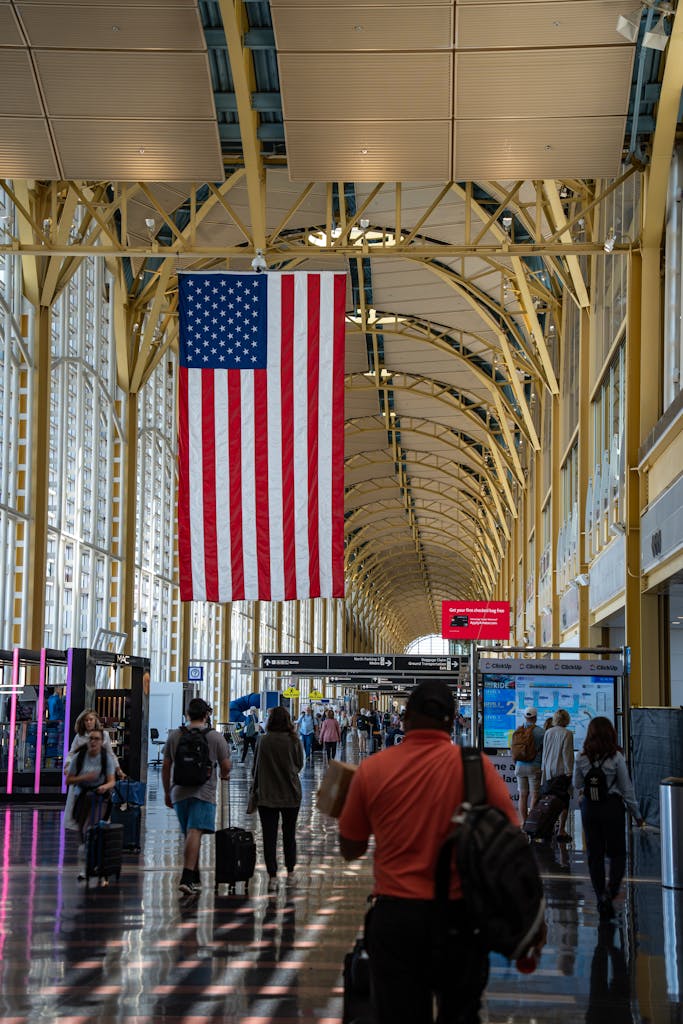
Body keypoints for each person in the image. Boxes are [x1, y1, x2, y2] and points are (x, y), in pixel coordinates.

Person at [338, 680, 523, 1024]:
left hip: (396, 920)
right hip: (460, 919)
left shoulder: (374, 769)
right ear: (452, 721)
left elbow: (351, 848)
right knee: (461, 1014)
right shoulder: (475, 767)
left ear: (405, 719)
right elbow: (512, 839)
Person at [573, 716, 643, 919]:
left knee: (594, 855)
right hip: (612, 807)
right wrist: (636, 814)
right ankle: (611, 894)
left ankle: (600, 895)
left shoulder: (581, 757)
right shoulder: (616, 757)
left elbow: (577, 783)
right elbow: (626, 789)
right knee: (617, 853)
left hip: (590, 808)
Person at [162, 698, 231, 896]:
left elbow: (166, 766)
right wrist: (224, 774)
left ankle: (195, 877)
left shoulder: (175, 735)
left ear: (187, 715)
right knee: (195, 832)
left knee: (190, 834)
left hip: (179, 791)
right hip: (204, 792)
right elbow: (225, 766)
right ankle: (186, 877)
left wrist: (167, 791)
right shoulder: (215, 737)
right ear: (206, 715)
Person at [253, 705, 304, 888]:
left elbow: (255, 767)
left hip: (267, 795)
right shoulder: (294, 740)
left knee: (269, 836)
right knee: (289, 834)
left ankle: (272, 876)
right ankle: (290, 872)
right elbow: (299, 764)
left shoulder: (263, 741)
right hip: (291, 794)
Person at [65, 727, 116, 841]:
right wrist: (84, 777)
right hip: (83, 794)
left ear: (102, 741)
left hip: (100, 795)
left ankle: (92, 843)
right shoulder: (79, 757)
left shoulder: (106, 758)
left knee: (93, 823)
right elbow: (68, 781)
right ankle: (85, 843)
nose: (93, 741)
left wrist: (104, 787)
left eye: (97, 739)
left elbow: (112, 781)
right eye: (91, 738)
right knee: (82, 826)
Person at [540, 708, 574, 841]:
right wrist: (569, 771)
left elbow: (545, 752)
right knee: (564, 801)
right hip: (561, 772)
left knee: (550, 800)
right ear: (566, 719)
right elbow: (567, 754)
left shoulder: (548, 732)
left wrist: (544, 769)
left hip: (548, 770)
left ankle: (549, 827)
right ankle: (561, 830)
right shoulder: (567, 733)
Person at [515, 707, 544, 824]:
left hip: (520, 766)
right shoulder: (541, 732)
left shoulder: (518, 731)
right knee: (535, 796)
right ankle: (531, 823)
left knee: (522, 796)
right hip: (534, 766)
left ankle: (524, 822)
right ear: (535, 718)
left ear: (525, 717)